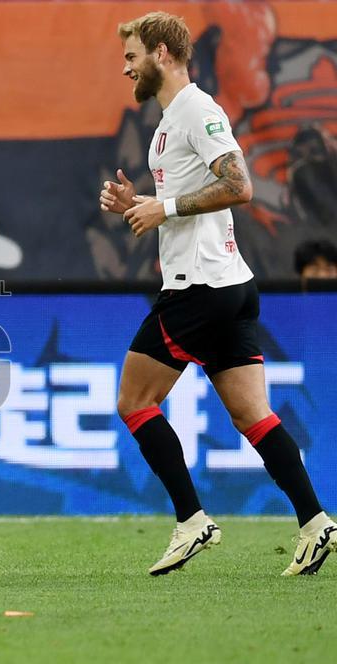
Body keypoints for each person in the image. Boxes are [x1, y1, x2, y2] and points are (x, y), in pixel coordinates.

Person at [100, 11, 335, 576]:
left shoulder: (198, 110)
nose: (125, 68)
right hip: (228, 285)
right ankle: (315, 522)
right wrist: (142, 204)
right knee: (254, 415)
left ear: (160, 53)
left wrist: (164, 207)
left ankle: (192, 520)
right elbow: (189, 202)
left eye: (131, 56)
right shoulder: (170, 120)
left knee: (134, 402)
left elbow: (239, 186)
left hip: (199, 288)